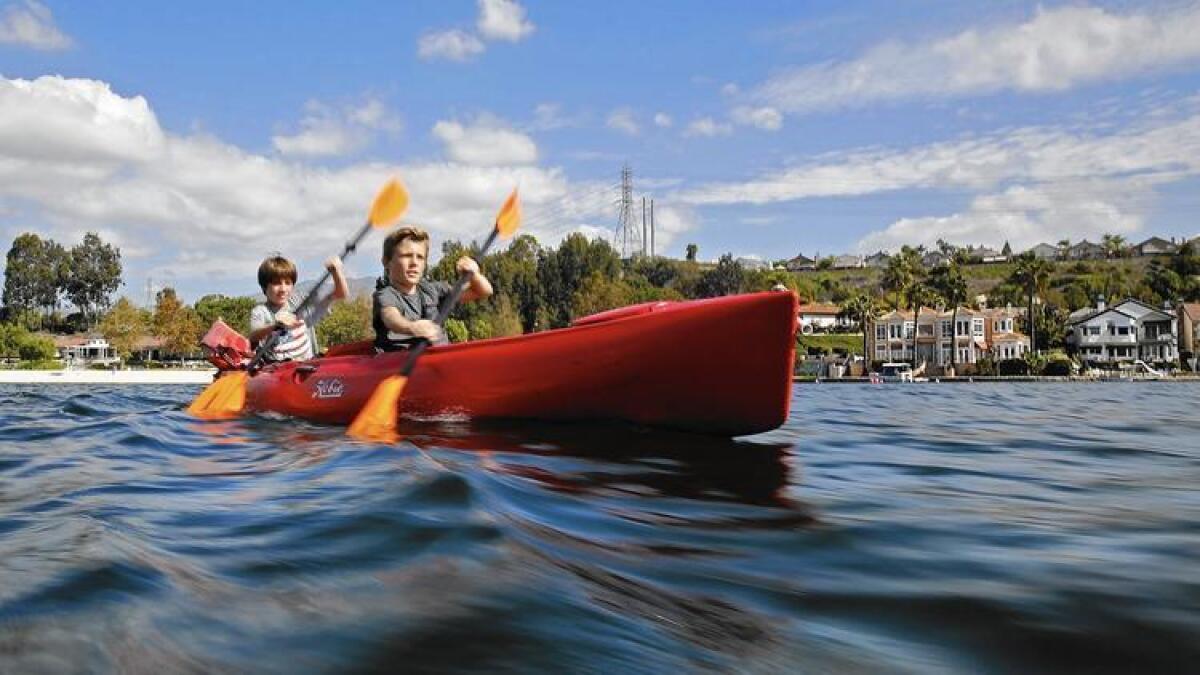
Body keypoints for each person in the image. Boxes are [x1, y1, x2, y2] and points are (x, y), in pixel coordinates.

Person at [373, 226, 492, 351]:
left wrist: (475, 275)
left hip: (439, 359)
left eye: (420, 257)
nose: (414, 262)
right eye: (406, 256)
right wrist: (412, 327)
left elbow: (484, 291)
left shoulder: (432, 290)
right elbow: (391, 318)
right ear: (387, 262)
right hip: (398, 362)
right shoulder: (386, 295)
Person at [249, 254, 349, 361]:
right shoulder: (261, 311)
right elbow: (254, 336)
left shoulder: (301, 302)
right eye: (276, 283)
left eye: (288, 283)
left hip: (306, 368)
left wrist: (336, 271)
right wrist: (275, 325)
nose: (283, 289)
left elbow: (340, 294)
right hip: (277, 371)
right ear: (264, 286)